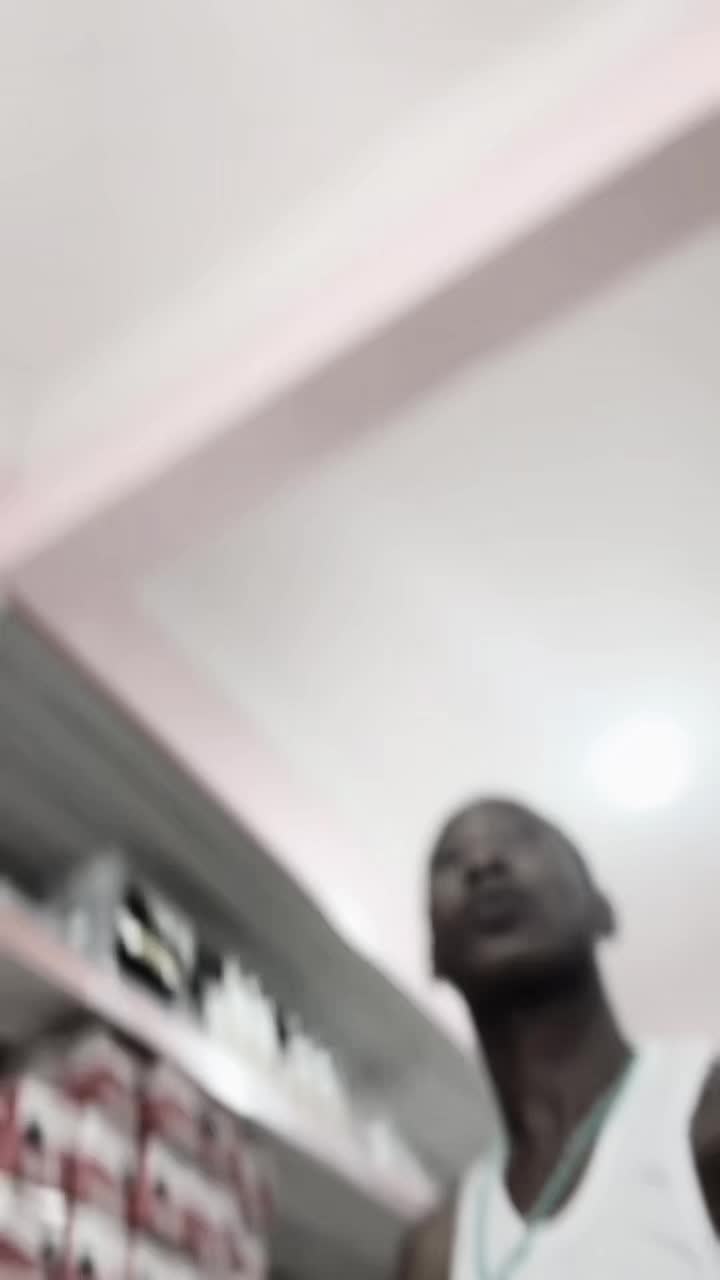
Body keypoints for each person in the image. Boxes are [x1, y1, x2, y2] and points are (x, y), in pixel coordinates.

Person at [396, 797, 719, 1279]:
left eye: (519, 839)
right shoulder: (435, 1250)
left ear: (602, 911)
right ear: (434, 959)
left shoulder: (703, 1118)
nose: (482, 863)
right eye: (450, 861)